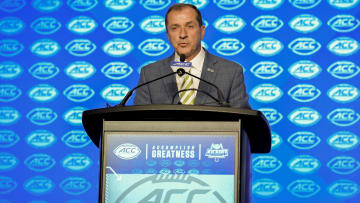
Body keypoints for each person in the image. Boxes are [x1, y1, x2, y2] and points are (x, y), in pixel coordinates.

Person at [134, 3, 251, 109]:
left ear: (202, 31)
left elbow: (244, 124)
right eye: (175, 28)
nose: (182, 35)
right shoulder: (150, 75)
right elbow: (138, 123)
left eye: (189, 26)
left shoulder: (230, 72)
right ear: (168, 34)